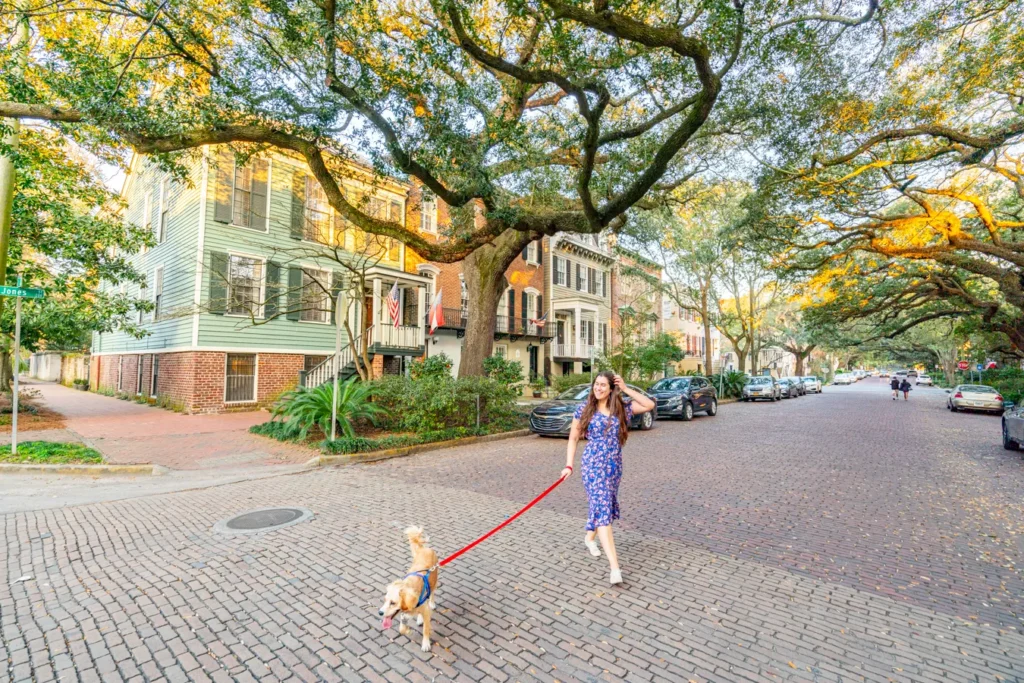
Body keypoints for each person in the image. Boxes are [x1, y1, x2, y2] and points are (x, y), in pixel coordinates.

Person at [561, 372, 655, 586]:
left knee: (603, 504)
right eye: (596, 384)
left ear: (611, 389)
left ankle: (589, 537)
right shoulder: (584, 410)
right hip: (592, 466)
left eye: (603, 385)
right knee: (603, 509)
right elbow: (573, 439)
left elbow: (648, 404)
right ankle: (615, 568)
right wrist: (569, 465)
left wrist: (627, 388)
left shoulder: (622, 409)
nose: (599, 388)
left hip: (613, 467)